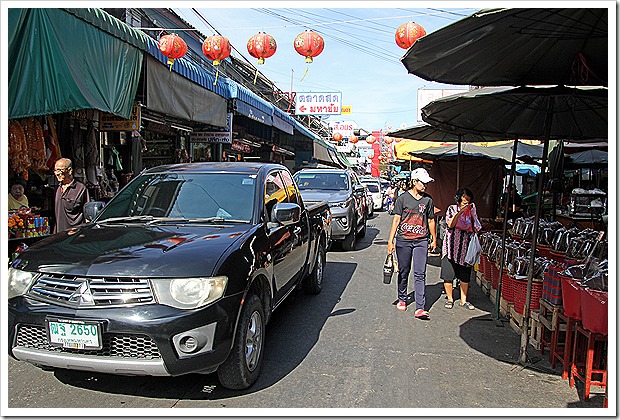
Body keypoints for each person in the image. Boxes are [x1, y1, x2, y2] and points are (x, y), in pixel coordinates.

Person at [387, 168, 437, 319]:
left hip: (421, 240)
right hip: (403, 240)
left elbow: (430, 220)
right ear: (414, 182)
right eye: (423, 182)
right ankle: (402, 298)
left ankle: (420, 307)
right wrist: (390, 241)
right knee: (404, 271)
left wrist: (434, 238)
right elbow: (396, 220)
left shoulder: (428, 200)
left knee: (420, 273)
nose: (425, 186)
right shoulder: (402, 199)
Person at [441, 187, 483, 310]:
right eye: (465, 202)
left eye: (468, 202)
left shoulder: (472, 210)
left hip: (465, 247)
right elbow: (450, 224)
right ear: (458, 201)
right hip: (450, 247)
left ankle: (463, 300)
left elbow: (477, 227)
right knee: (448, 274)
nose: (467, 204)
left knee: (465, 274)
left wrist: (472, 214)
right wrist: (460, 212)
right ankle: (450, 298)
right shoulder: (451, 209)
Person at [54, 158, 89, 233]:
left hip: (75, 235)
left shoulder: (81, 189)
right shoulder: (57, 189)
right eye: (55, 170)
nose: (57, 173)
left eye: (60, 170)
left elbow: (88, 215)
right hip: (59, 234)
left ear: (69, 171)